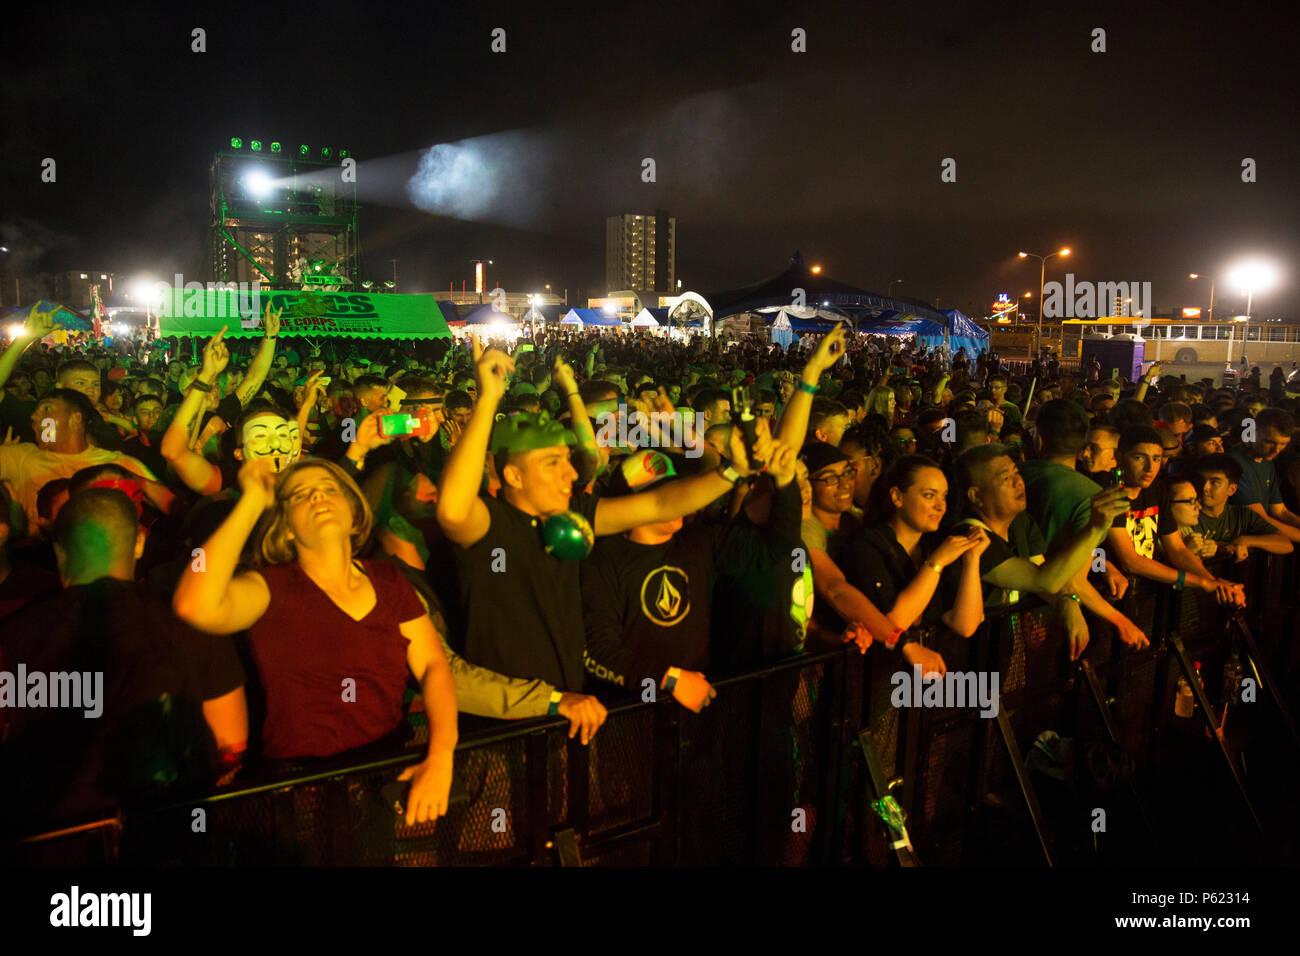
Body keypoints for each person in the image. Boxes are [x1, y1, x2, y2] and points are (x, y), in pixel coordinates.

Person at [436, 347, 770, 694]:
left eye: (567, 459)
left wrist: (732, 471)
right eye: (553, 463)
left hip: (569, 714)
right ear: (514, 476)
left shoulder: (575, 511)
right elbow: (451, 510)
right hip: (507, 730)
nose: (569, 471)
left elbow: (658, 504)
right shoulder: (491, 526)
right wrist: (489, 399)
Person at [173, 458, 459, 826]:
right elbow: (194, 605)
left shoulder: (388, 579)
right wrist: (251, 504)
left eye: (328, 489)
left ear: (354, 514)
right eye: (300, 496)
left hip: (382, 773)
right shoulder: (271, 587)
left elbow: (434, 667)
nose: (318, 498)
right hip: (301, 793)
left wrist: (440, 756)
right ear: (286, 528)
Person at [0, 488, 246, 834]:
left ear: (59, 553)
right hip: (169, 835)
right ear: (139, 544)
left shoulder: (14, 634)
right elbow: (232, 744)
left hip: (55, 838)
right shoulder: (191, 623)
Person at [954, 444, 1145, 657]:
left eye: (1017, 473)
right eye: (1005, 478)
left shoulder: (1021, 522)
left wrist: (1068, 603)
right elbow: (1043, 580)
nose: (1018, 482)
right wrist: (1095, 527)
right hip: (965, 665)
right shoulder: (969, 538)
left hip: (1005, 655)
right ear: (976, 495)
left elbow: (1048, 577)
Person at [839, 456, 990, 678]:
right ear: (897, 497)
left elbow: (966, 625)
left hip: (928, 688)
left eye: (944, 496)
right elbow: (894, 622)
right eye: (929, 495)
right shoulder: (867, 545)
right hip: (878, 680)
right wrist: (935, 565)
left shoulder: (935, 545)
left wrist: (972, 560)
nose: (940, 506)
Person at [0, 388, 158, 534]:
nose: (34, 416)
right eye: (35, 411)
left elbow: (172, 507)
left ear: (75, 419)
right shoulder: (19, 456)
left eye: (46, 409)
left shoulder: (117, 464)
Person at [1188, 454, 1292, 562]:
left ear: (1231, 489)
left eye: (1214, 482)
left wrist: (1244, 540)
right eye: (1201, 480)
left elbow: (1286, 544)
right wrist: (1225, 546)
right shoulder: (1187, 513)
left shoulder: (1242, 515)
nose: (1205, 487)